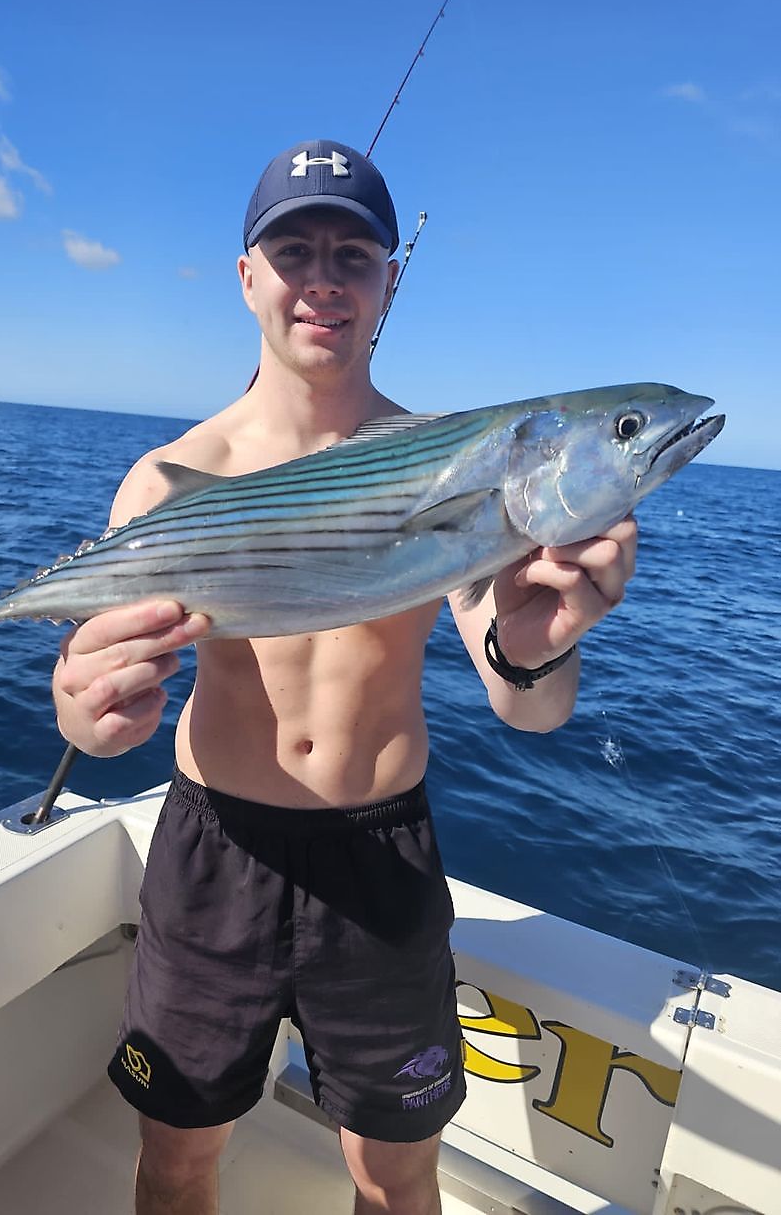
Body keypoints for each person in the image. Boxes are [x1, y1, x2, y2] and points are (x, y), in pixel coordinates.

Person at [52, 139, 637, 1215]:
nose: (323, 278)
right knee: (176, 1159)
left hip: (381, 860)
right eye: (294, 251)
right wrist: (86, 716)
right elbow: (99, 703)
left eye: (353, 255)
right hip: (213, 854)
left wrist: (540, 644)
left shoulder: (462, 466)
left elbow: (529, 707)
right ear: (247, 277)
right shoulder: (171, 478)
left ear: (388, 283)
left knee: (395, 1173)